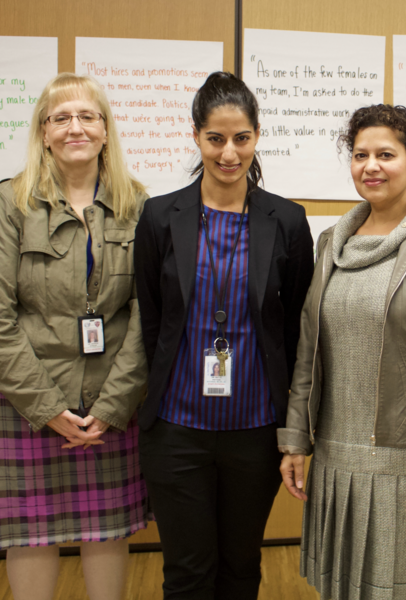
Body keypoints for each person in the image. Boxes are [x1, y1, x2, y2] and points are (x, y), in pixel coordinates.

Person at [278, 104, 406, 599]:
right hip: (336, 458)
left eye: (386, 154)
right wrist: (295, 439)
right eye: (360, 155)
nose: (371, 166)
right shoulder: (331, 241)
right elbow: (310, 345)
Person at [0, 72, 150, 600]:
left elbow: (146, 315)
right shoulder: (8, 203)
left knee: (107, 533)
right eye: (61, 117)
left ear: (105, 130)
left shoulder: (136, 204)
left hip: (106, 403)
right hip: (25, 402)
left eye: (87, 116)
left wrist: (114, 405)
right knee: (29, 537)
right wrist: (46, 408)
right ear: (43, 132)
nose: (75, 127)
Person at [134, 71, 314, 599]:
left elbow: (299, 325)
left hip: (256, 431)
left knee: (239, 567)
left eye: (241, 138)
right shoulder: (160, 217)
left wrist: (296, 430)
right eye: (216, 138)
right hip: (176, 428)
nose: (229, 153)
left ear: (256, 135)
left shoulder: (286, 220)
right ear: (196, 135)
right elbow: (150, 317)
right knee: (188, 572)